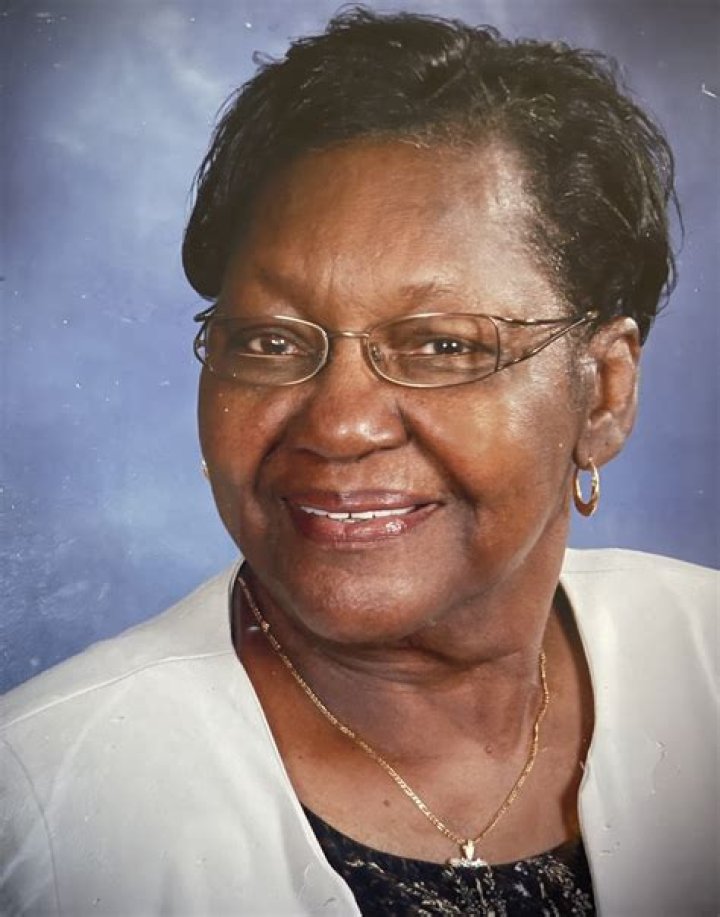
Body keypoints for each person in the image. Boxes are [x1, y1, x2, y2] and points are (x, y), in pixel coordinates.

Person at [2, 8, 716, 916]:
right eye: (270, 341)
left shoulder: (705, 656)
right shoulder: (41, 805)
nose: (339, 426)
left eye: (444, 346)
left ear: (604, 392)